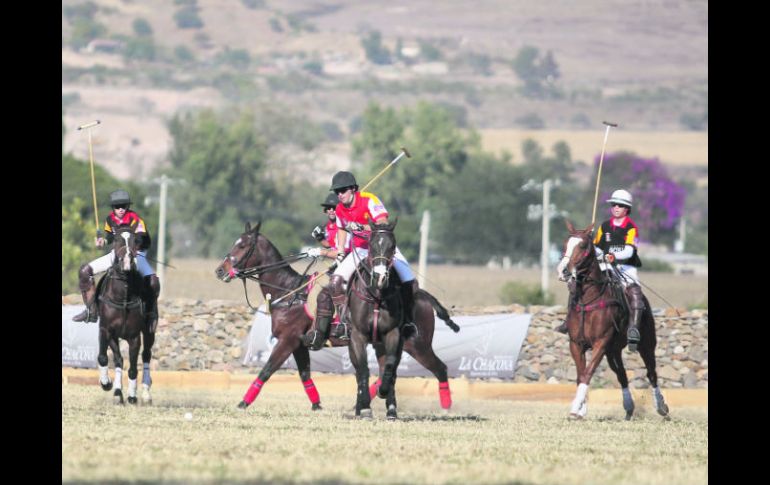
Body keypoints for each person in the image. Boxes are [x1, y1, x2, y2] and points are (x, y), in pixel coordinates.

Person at [301, 171, 418, 350]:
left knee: (409, 280)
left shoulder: (370, 200)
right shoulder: (340, 208)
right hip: (360, 250)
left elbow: (383, 225)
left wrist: (361, 226)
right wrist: (340, 251)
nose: (340, 194)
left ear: (353, 189)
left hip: (380, 249)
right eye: (337, 191)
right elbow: (341, 229)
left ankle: (409, 322)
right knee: (335, 281)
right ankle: (344, 323)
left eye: (343, 190)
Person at [556, 189, 646, 352]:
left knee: (634, 291)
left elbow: (630, 250)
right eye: (613, 204)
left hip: (625, 266)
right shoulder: (604, 226)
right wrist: (588, 242)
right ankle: (568, 321)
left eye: (620, 205)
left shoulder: (631, 228)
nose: (616, 207)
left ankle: (633, 330)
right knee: (578, 284)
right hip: (604, 264)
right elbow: (596, 248)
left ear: (627, 209)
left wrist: (612, 255)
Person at [72, 189, 160, 334]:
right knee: (84, 271)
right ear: (113, 207)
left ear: (128, 206)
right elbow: (110, 237)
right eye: (117, 206)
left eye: (123, 206)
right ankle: (91, 310)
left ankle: (151, 313)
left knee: (153, 281)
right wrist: (102, 241)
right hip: (117, 254)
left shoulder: (135, 219)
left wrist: (132, 250)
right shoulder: (110, 220)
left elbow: (142, 238)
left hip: (137, 254)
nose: (120, 209)